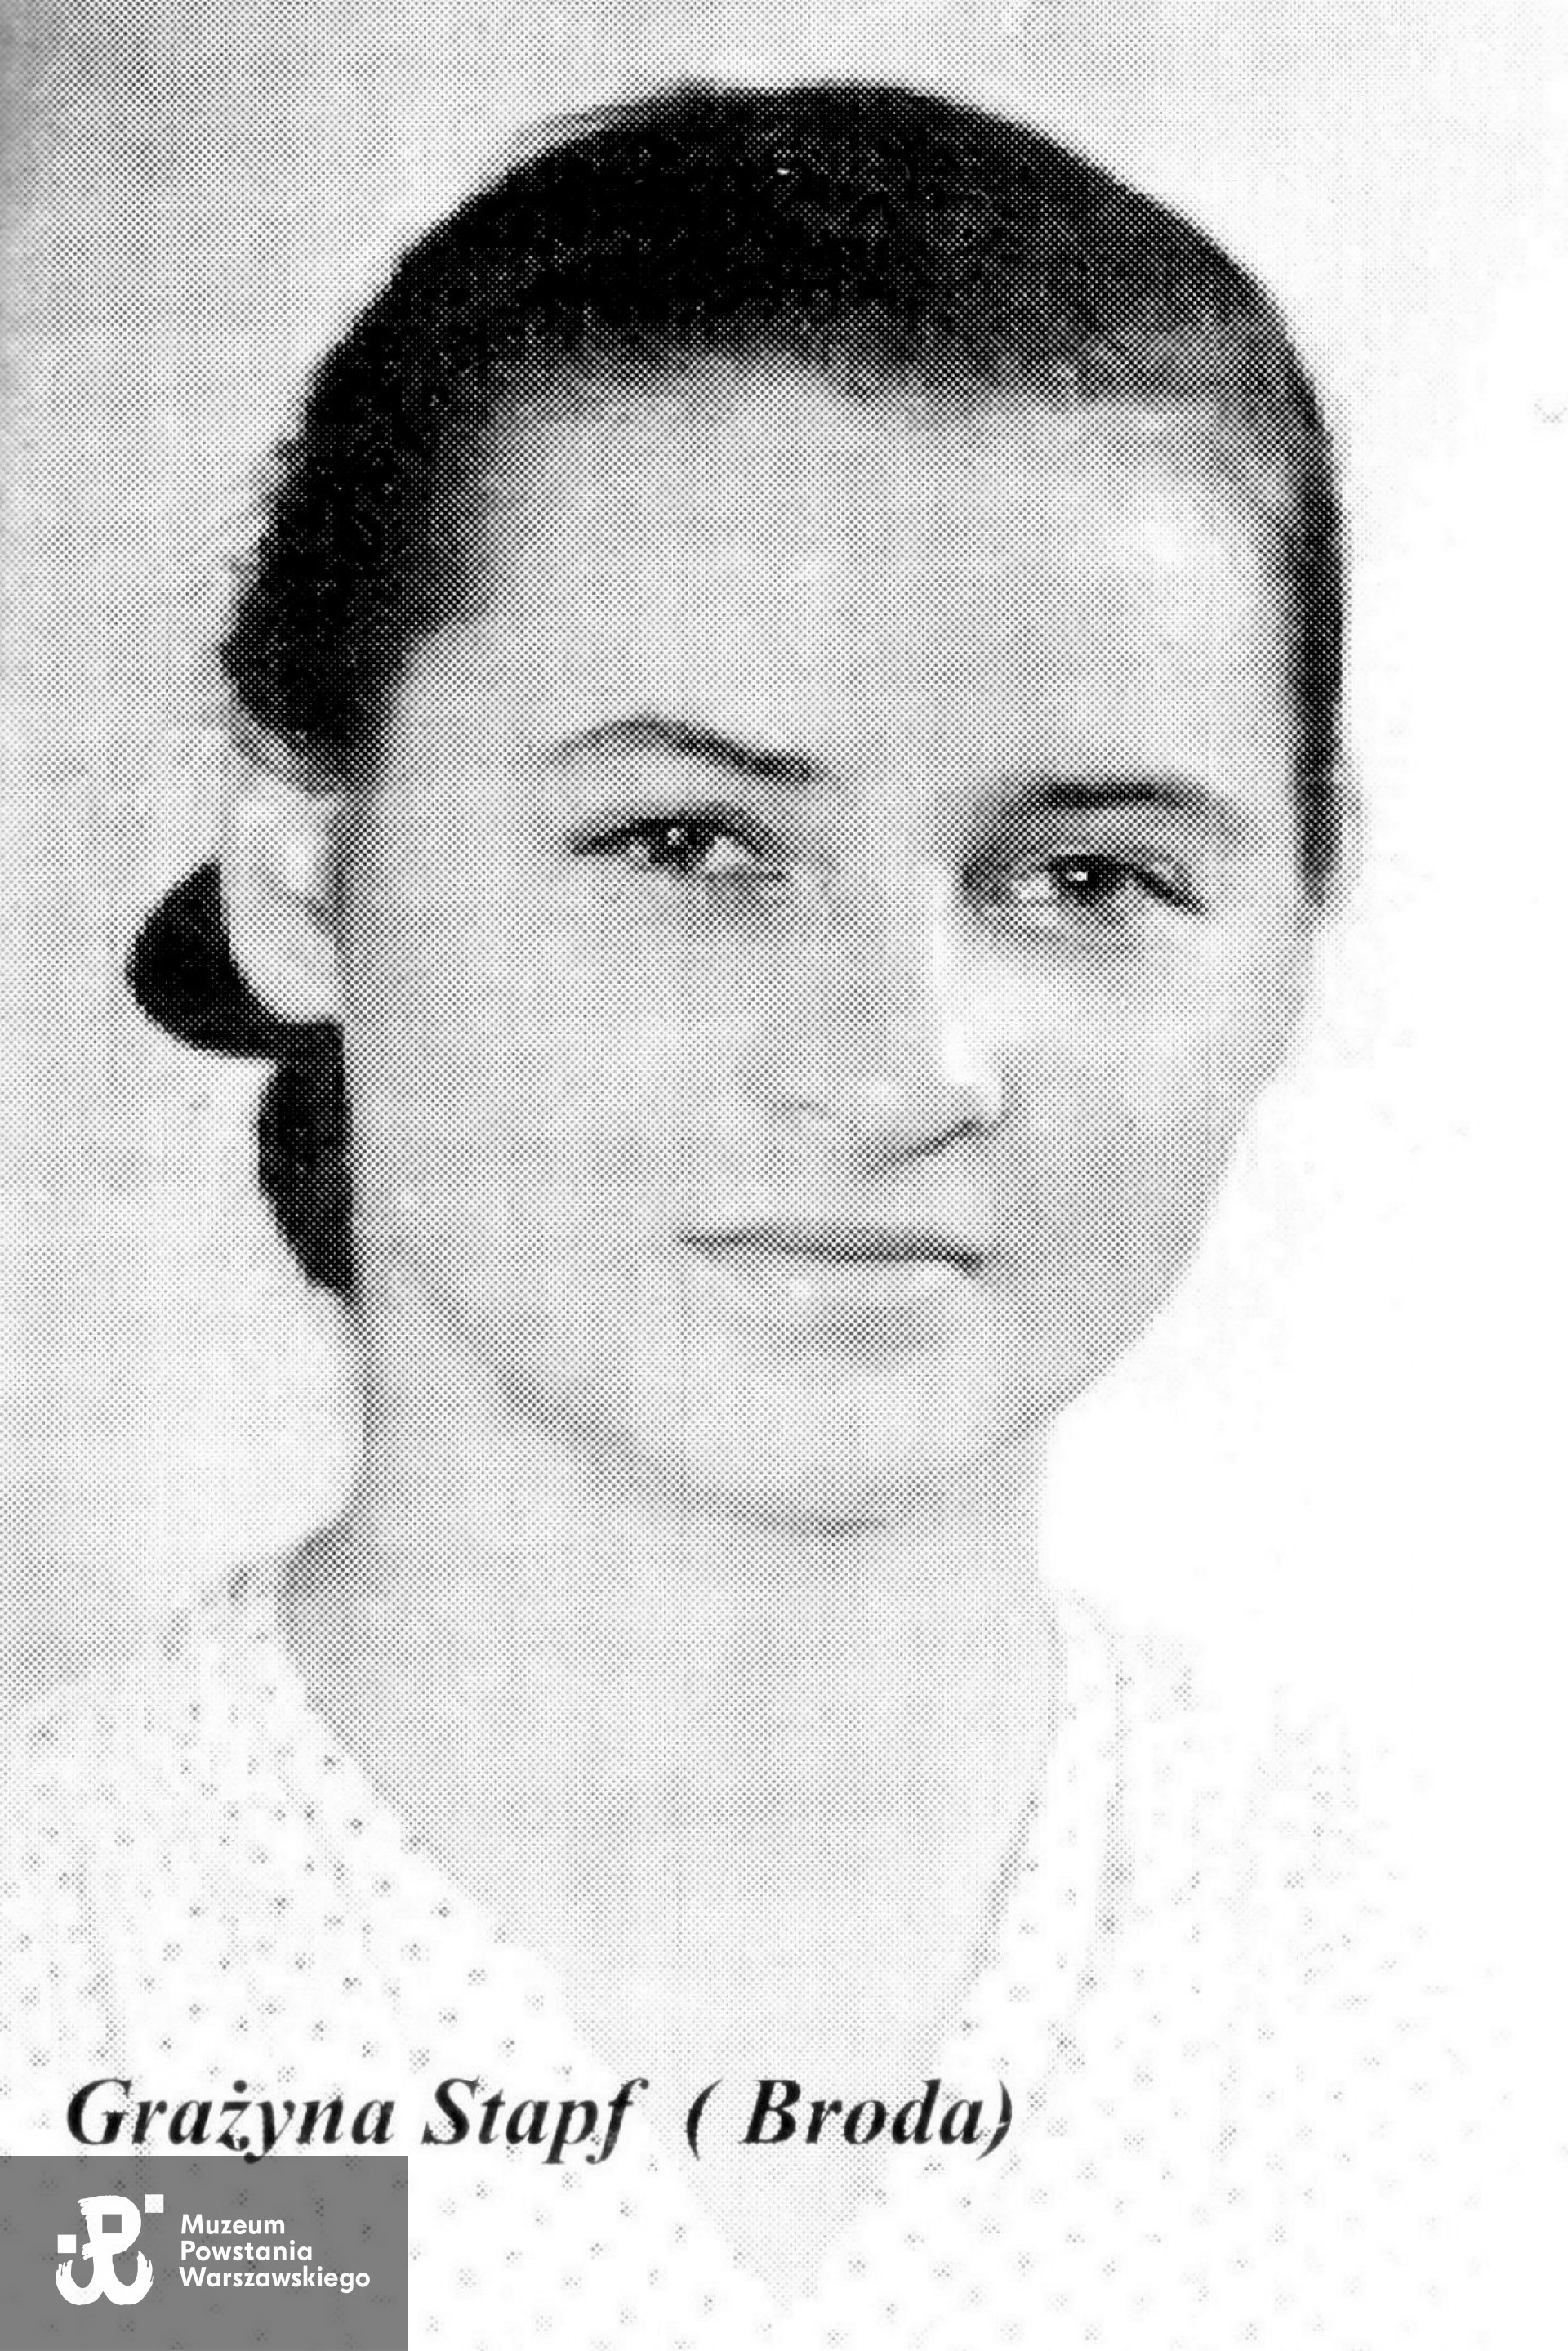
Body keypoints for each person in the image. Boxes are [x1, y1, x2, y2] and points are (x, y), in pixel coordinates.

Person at [0, 77, 1529, 2344]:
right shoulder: (56, 1994)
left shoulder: (1482, 2021)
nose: (905, 1067)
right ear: (305, 874)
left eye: (1089, 875)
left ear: (1302, 924)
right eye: (690, 844)